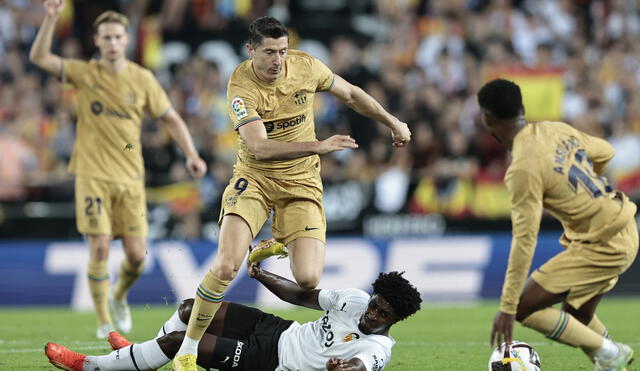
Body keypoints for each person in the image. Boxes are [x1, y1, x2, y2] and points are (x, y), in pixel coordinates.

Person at [171, 16, 411, 370]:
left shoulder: (306, 66)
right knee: (225, 265)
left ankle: (273, 243)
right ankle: (188, 350)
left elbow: (350, 94)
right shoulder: (241, 86)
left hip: (301, 185)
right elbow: (259, 148)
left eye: (282, 51)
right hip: (255, 179)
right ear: (251, 50)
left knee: (309, 278)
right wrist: (320, 145)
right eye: (269, 52)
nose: (277, 60)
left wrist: (393, 121)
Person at [29, 0, 207, 339]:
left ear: (126, 40)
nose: (112, 42)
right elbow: (39, 58)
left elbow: (170, 117)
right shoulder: (84, 73)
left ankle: (120, 295)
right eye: (105, 37)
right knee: (99, 246)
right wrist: (51, 19)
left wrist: (191, 154)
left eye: (117, 37)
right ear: (96, 41)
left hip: (130, 178)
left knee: (137, 255)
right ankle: (102, 321)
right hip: (92, 175)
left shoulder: (142, 79)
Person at [477, 79, 638, 370]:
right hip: (624, 226)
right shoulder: (556, 129)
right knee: (577, 314)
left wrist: (506, 306)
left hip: (602, 243)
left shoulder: (523, 168)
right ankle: (610, 360)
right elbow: (605, 153)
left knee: (524, 308)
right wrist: (591, 197)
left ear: (486, 118)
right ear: (522, 109)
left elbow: (525, 240)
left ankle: (611, 353)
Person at [44, 261, 422, 371]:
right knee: (193, 310)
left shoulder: (378, 347)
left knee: (181, 345)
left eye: (381, 313)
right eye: (374, 304)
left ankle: (91, 366)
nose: (371, 313)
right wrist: (262, 273)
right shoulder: (354, 300)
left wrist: (345, 368)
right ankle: (142, 354)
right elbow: (302, 294)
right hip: (280, 330)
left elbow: (360, 364)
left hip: (273, 362)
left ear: (395, 318)